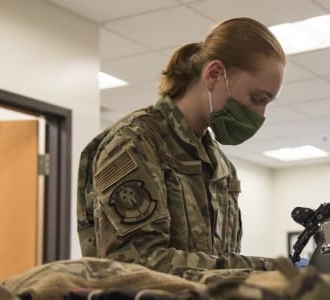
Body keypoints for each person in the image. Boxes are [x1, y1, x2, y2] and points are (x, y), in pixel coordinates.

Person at [77, 17, 285, 273]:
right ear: (214, 74)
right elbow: (136, 266)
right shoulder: (133, 144)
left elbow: (216, 264)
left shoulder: (221, 168)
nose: (260, 114)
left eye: (267, 103)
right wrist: (262, 269)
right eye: (257, 98)